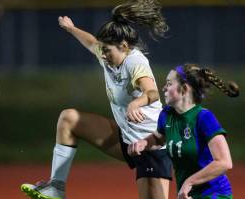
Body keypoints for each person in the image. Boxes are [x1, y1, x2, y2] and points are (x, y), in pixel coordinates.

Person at [21, 0, 172, 199]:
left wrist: (136, 102)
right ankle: (56, 187)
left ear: (124, 46)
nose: (103, 54)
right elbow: (92, 43)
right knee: (69, 119)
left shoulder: (135, 62)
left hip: (151, 145)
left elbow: (152, 93)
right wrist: (71, 28)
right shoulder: (108, 55)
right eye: (103, 50)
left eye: (107, 50)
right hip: (126, 140)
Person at [128, 63, 239, 199]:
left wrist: (189, 182)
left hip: (215, 193)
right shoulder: (167, 114)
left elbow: (224, 162)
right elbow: (158, 138)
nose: (164, 88)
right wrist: (143, 143)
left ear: (184, 89)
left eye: (169, 84)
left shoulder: (203, 118)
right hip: (187, 194)